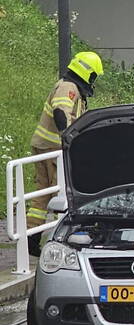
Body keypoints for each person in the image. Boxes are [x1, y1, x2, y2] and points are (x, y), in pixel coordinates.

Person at [28, 51, 104, 255]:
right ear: (88, 73)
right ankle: (59, 242)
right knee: (61, 194)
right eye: (94, 76)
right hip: (54, 149)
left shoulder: (68, 85)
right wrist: (69, 139)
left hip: (45, 146)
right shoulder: (69, 88)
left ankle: (31, 240)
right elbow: (60, 112)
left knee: (41, 197)